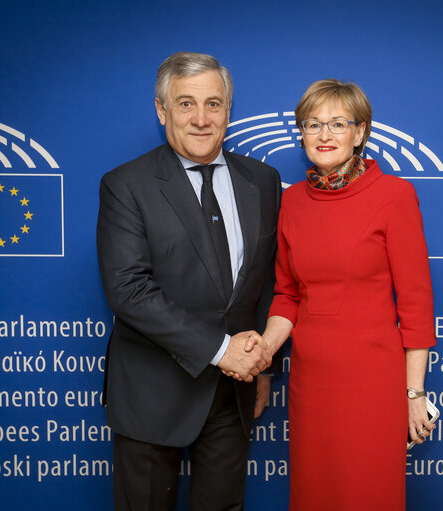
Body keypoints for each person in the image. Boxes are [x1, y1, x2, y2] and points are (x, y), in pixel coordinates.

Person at [238, 79, 437, 510]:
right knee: (315, 496)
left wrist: (414, 395)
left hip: (374, 385)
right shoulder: (292, 203)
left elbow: (417, 307)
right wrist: (266, 348)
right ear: (302, 134)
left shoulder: (395, 196)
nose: (324, 135)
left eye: (337, 124)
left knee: (368, 496)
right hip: (311, 385)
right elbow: (287, 294)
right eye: (313, 124)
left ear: (360, 133)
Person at [96, 51, 282, 511]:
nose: (201, 119)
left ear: (227, 111)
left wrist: (262, 365)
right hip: (153, 393)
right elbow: (128, 290)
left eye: (214, 104)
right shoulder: (127, 185)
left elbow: (267, 276)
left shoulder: (263, 180)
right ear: (162, 111)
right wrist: (224, 352)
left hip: (232, 394)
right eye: (185, 104)